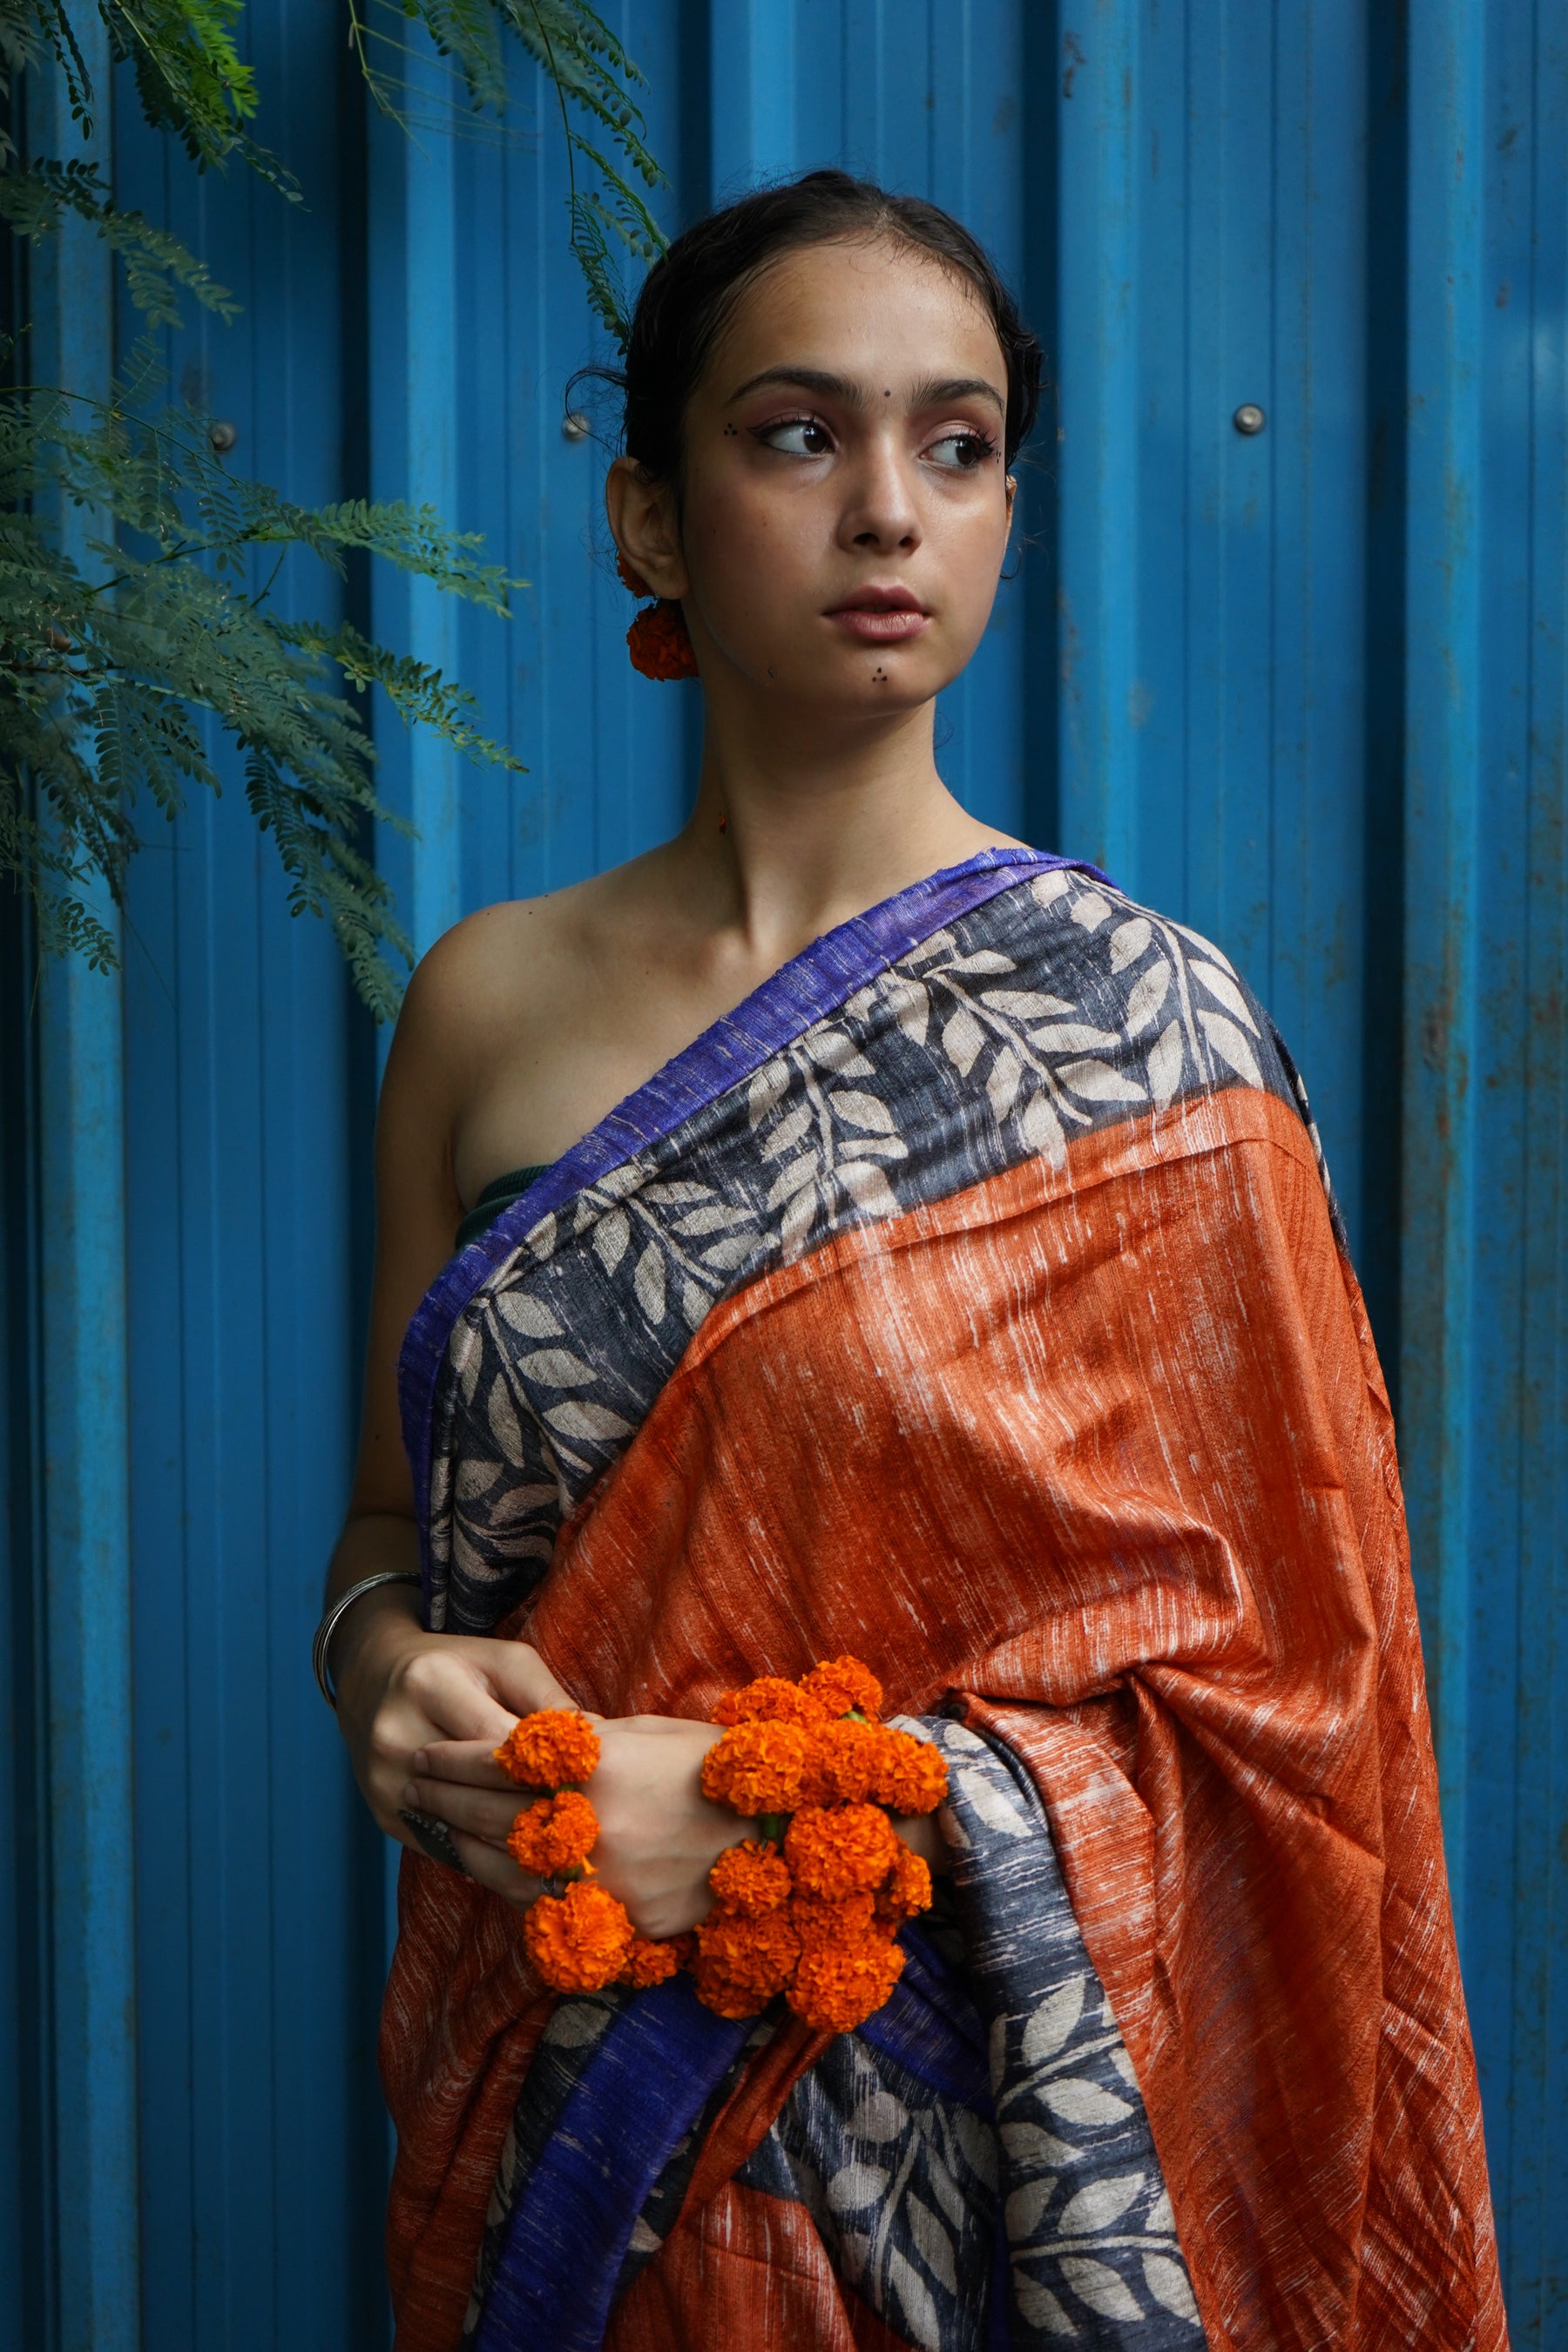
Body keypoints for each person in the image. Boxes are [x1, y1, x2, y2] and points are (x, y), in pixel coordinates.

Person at [317, 171, 1505, 2352]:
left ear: (1004, 516)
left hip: (976, 2201)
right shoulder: (484, 1011)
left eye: (955, 447)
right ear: (650, 522)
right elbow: (391, 1542)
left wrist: (800, 1817)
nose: (890, 509)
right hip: (558, 2126)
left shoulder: (1145, 1040)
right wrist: (383, 1683)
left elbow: (1301, 1738)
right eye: (797, 434)